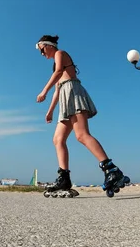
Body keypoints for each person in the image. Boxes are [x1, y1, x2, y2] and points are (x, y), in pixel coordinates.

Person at [35, 34, 130, 196]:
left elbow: (59, 72)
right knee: (58, 139)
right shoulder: (55, 65)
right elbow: (58, 90)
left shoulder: (60, 53)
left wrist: (44, 90)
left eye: (42, 49)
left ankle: (112, 170)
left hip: (73, 92)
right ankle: (64, 177)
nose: (42, 54)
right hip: (65, 96)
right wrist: (50, 111)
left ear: (48, 45)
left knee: (82, 135)